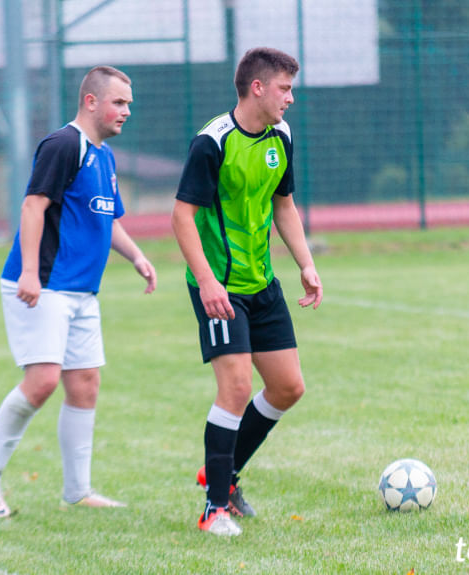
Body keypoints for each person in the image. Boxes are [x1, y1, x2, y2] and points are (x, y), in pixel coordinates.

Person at [0, 65, 157, 518]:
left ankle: (78, 490)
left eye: (128, 103)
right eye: (118, 102)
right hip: (44, 283)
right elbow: (34, 205)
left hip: (81, 292)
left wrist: (137, 257)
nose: (126, 111)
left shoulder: (105, 156)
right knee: (43, 382)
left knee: (85, 384)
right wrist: (30, 272)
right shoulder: (63, 144)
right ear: (91, 101)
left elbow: (106, 219)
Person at [171, 47, 323, 537]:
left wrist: (306, 264)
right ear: (257, 88)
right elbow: (182, 216)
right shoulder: (211, 143)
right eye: (284, 88)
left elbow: (285, 205)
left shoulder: (282, 136)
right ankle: (214, 507)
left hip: (262, 282)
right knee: (235, 388)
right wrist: (209, 282)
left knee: (288, 387)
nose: (291, 99)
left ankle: (220, 471)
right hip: (218, 288)